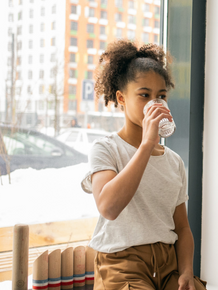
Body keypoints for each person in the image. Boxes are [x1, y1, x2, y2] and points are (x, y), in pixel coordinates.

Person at [81, 40, 206, 290]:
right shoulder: (106, 149)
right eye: (144, 95)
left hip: (168, 264)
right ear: (121, 98)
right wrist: (147, 144)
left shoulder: (174, 161)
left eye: (161, 96)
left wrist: (186, 272)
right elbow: (108, 207)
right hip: (122, 264)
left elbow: (182, 227)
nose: (155, 104)